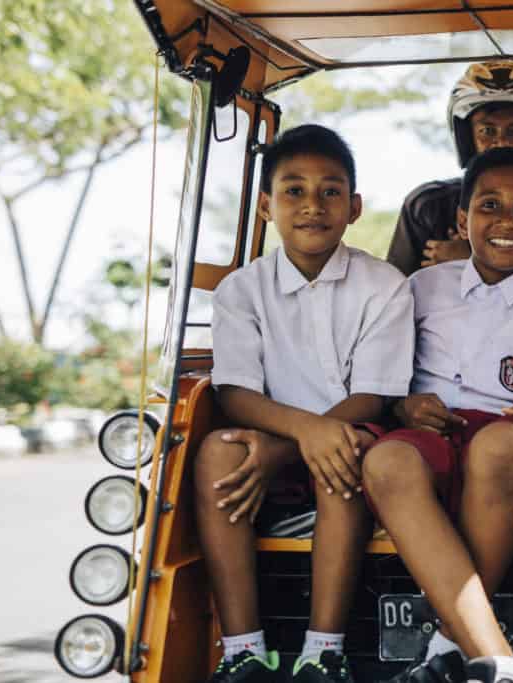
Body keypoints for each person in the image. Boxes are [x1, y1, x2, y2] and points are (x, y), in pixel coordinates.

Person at [362, 148, 513, 683]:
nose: (506, 222)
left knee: (502, 446)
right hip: (429, 434)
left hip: (507, 440)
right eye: (489, 205)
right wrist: (404, 405)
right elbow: (384, 385)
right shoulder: (421, 289)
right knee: (385, 462)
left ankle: (453, 649)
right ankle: (499, 663)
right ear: (461, 219)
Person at [196, 124, 415, 683]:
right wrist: (295, 436)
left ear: (355, 206)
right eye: (294, 191)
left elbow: (374, 395)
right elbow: (235, 392)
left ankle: (324, 651)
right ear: (266, 205)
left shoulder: (385, 285)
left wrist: (296, 445)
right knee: (216, 454)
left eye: (330, 191)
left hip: (353, 435)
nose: (312, 206)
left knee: (338, 456)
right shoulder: (241, 290)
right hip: (269, 438)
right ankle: (243, 651)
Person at [385, 60, 513, 275]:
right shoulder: (427, 206)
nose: (501, 143)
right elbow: (397, 289)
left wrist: (472, 260)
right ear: (467, 138)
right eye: (487, 131)